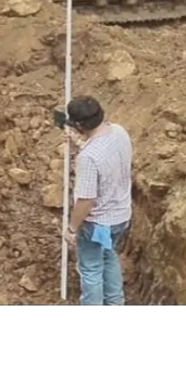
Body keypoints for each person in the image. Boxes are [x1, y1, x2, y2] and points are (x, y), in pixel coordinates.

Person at [61, 95, 133, 306]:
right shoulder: (119, 132)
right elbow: (105, 151)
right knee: (108, 255)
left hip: (98, 224)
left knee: (91, 268)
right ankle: (115, 302)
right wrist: (81, 142)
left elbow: (86, 200)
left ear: (78, 125)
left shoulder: (89, 157)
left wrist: (72, 229)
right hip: (121, 216)